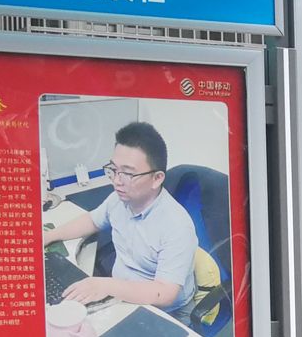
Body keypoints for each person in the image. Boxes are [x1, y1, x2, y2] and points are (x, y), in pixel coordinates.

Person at [42, 121, 198, 314]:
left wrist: (107, 286)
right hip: (121, 294)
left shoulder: (177, 226)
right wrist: (49, 236)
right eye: (114, 170)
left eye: (127, 173)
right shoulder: (119, 199)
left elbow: (165, 293)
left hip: (163, 310)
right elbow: (92, 220)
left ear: (157, 178)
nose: (116, 181)